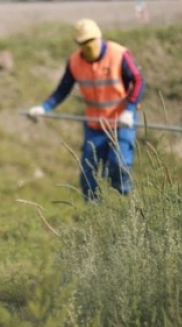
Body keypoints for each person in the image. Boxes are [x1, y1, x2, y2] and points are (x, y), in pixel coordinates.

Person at [26, 18, 145, 202]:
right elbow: (62, 89)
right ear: (77, 44)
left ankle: (125, 202)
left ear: (99, 37)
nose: (88, 46)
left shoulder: (118, 54)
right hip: (95, 126)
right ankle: (93, 211)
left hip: (121, 122)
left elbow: (138, 80)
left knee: (119, 164)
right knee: (89, 171)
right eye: (83, 43)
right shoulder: (75, 62)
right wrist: (44, 108)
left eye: (91, 41)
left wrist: (129, 110)